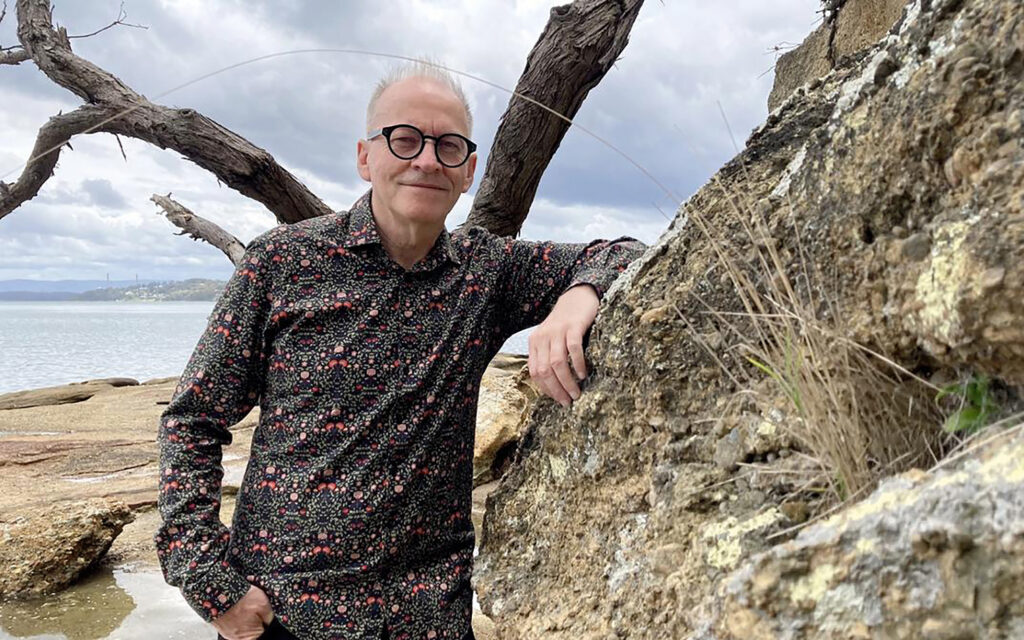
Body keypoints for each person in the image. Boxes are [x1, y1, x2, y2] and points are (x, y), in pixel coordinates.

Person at [154, 60, 647, 640]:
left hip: (428, 615)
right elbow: (192, 420)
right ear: (366, 157)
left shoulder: (486, 273)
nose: (427, 161)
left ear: (468, 171)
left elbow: (625, 251)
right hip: (284, 613)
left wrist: (576, 299)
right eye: (405, 139)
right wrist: (211, 585)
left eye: (448, 146)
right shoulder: (282, 263)